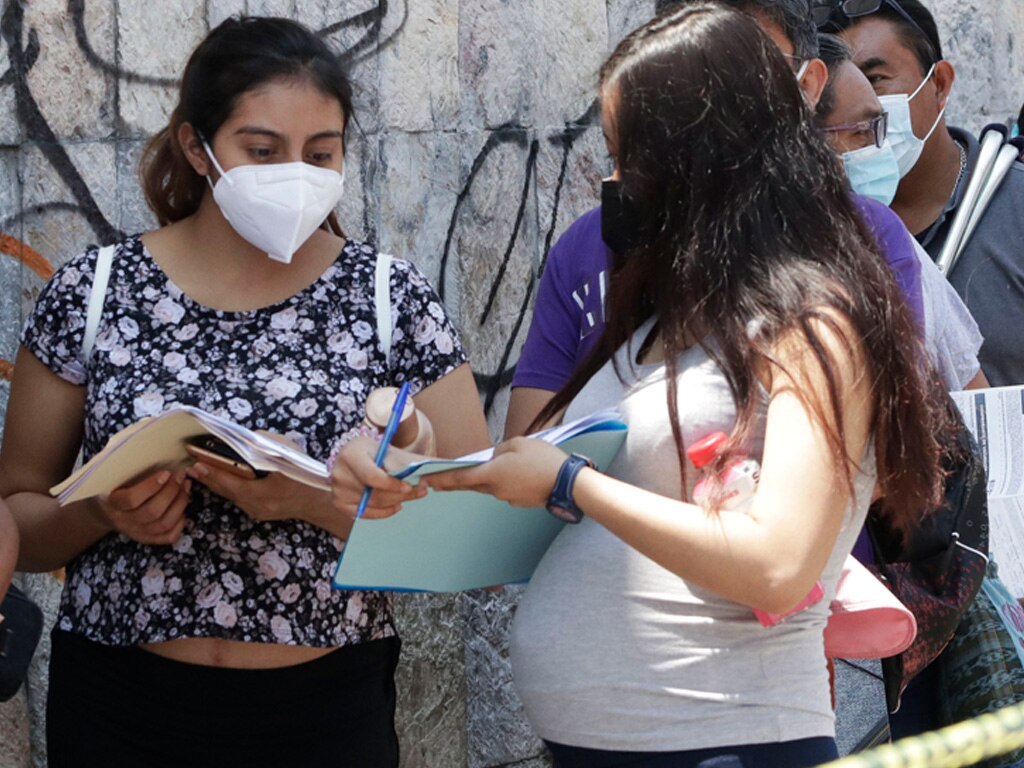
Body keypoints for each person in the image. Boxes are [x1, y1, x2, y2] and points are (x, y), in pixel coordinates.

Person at [425, 5, 954, 765]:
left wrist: (576, 483)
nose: (613, 183)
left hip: (725, 741)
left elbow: (776, 567)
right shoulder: (652, 322)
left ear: (706, 156)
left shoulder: (815, 326)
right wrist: (414, 470)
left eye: (628, 155)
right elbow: (533, 479)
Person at [0, 16, 488, 767]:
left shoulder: (391, 299)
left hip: (325, 711)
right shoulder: (93, 293)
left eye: (320, 153)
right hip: (119, 704)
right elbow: (17, 518)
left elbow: (471, 532)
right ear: (198, 147)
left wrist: (310, 501)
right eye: (263, 151)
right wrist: (102, 511)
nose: (294, 172)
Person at [504, 0, 927, 440]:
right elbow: (534, 445)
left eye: (744, 70)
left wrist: (577, 484)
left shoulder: (831, 296)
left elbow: (802, 499)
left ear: (806, 86)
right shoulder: (608, 254)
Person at [826, 0, 1024, 386]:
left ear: (939, 84)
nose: (863, 109)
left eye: (876, 79)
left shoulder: (1014, 205)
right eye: (842, 90)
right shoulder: (822, 230)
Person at [814, 32, 986, 391]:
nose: (880, 148)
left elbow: (980, 403)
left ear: (940, 84)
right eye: (863, 130)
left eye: (880, 127)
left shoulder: (891, 240)